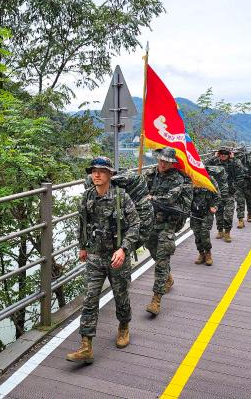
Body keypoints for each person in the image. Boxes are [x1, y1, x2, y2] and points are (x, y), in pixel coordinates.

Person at [66, 156, 140, 364]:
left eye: (101, 171)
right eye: (93, 171)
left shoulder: (122, 197)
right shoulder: (87, 196)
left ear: (110, 174)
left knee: (121, 296)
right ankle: (86, 346)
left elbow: (135, 224)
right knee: (90, 299)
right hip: (95, 256)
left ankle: (124, 326)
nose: (96, 174)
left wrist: (124, 249)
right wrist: (82, 246)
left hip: (117, 257)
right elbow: (82, 222)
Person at [143, 147, 187, 316]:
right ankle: (168, 277)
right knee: (154, 253)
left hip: (168, 224)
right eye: (160, 160)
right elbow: (139, 191)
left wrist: (152, 198)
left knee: (162, 259)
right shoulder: (149, 174)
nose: (162, 164)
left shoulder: (177, 178)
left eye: (166, 161)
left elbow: (171, 198)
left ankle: (156, 299)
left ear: (172, 163)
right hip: (150, 222)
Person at [207, 146, 246, 242]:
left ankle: (227, 232)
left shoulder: (233, 163)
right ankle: (220, 231)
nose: (223, 155)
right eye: (221, 153)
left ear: (229, 155)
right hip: (217, 193)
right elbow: (203, 166)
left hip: (229, 193)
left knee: (229, 213)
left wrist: (235, 187)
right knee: (219, 213)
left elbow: (241, 172)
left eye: (225, 154)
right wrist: (214, 157)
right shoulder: (215, 162)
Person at [191, 168, 221, 265]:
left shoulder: (210, 180)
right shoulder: (191, 179)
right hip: (195, 212)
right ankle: (201, 253)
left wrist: (215, 206)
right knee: (197, 234)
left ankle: (208, 254)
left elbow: (217, 195)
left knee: (204, 232)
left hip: (207, 212)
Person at [234, 147, 251, 224]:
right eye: (237, 154)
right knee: (240, 203)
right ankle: (240, 220)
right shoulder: (233, 161)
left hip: (250, 185)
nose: (238, 156)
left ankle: (250, 214)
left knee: (250, 202)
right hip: (238, 185)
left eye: (239, 154)